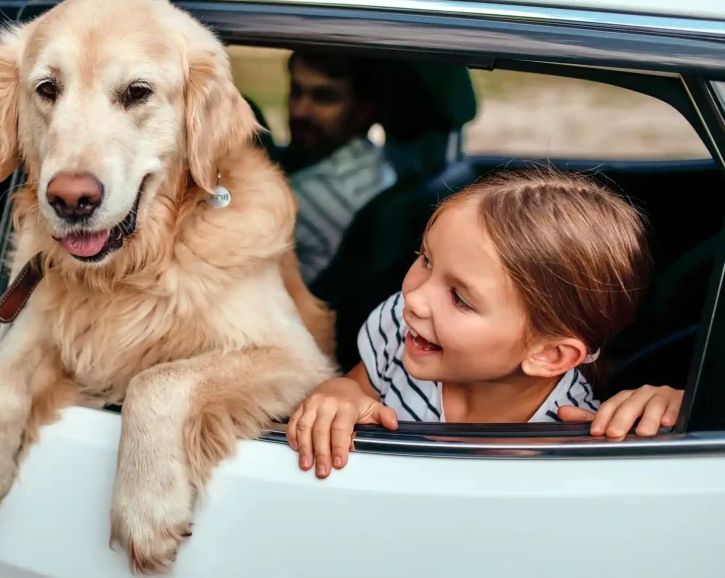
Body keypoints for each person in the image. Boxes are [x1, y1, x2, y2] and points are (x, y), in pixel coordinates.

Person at [284, 167, 684, 479]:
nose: (416, 298)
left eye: (460, 298)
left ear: (549, 354)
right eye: (425, 259)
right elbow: (355, 389)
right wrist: (337, 394)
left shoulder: (573, 428)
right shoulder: (398, 328)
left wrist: (675, 415)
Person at [279, 50, 396, 284]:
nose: (300, 110)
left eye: (324, 97)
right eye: (296, 91)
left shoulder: (304, 196)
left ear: (363, 110)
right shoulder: (374, 159)